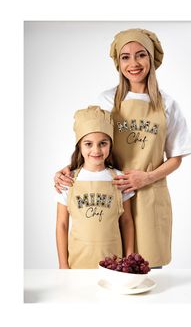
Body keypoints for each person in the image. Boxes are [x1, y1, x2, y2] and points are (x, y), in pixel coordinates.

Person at [54, 28, 191, 268]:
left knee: (148, 269)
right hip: (110, 195)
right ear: (118, 63)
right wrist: (67, 170)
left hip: (151, 198)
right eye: (125, 57)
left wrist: (146, 177)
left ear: (151, 58)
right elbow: (93, 141)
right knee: (112, 269)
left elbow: (176, 157)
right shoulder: (107, 100)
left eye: (141, 55)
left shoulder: (168, 105)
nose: (134, 63)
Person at [56, 105, 134, 269]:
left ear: (110, 145)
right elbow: (62, 224)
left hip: (114, 264)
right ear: (80, 146)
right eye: (88, 144)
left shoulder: (120, 178)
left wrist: (129, 260)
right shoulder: (67, 180)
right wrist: (63, 264)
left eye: (103, 143)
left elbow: (127, 222)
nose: (96, 150)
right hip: (77, 262)